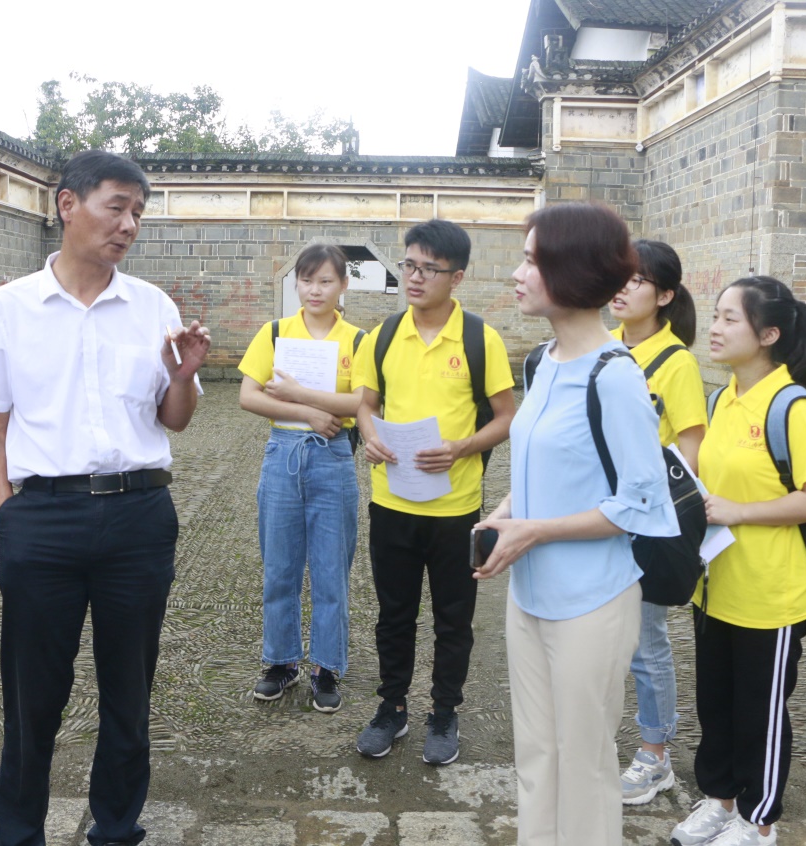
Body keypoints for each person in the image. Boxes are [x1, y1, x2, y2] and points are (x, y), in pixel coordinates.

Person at [0, 150, 211, 846]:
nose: (127, 224)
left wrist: (183, 376)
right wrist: (9, 515)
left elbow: (174, 418)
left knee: (129, 692)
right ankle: (18, 832)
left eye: (137, 212)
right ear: (68, 204)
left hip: (138, 517)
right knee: (33, 696)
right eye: (115, 206)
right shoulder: (7, 308)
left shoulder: (152, 306)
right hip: (43, 519)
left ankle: (117, 827)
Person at [474, 202, 679, 846]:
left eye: (532, 261)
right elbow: (545, 466)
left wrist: (537, 531)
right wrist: (507, 514)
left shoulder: (614, 377)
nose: (516, 273)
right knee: (536, 756)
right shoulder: (539, 363)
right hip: (529, 596)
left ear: (572, 272)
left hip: (592, 600)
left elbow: (641, 504)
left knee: (585, 764)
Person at [670, 277, 806, 846]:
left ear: (768, 334)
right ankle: (718, 801)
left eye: (729, 319)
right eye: (714, 316)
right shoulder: (722, 400)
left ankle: (758, 818)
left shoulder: (793, 407)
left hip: (771, 594)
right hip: (715, 586)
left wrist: (739, 511)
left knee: (759, 715)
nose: (714, 328)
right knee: (715, 707)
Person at [352, 219, 516, 765]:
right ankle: (391, 708)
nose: (415, 277)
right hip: (391, 502)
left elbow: (506, 418)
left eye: (429, 269)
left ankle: (444, 713)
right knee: (393, 615)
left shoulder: (478, 338)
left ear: (457, 276)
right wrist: (370, 438)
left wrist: (463, 447)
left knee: (453, 618)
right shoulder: (382, 334)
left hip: (455, 509)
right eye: (409, 265)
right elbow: (365, 404)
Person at [237, 244, 361, 713]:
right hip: (283, 454)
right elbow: (249, 396)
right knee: (280, 566)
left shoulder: (357, 340)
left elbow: (365, 403)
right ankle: (281, 661)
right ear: (296, 284)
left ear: (343, 285)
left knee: (332, 569)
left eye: (326, 281)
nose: (315, 289)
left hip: (332, 456)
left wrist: (304, 399)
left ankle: (326, 666)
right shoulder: (274, 333)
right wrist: (309, 411)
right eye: (307, 280)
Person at [608, 239, 706, 805]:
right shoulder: (602, 349)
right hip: (597, 520)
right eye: (621, 276)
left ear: (665, 296)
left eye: (638, 280)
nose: (624, 287)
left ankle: (656, 755)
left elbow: (690, 455)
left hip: (646, 525)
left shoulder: (677, 363)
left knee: (646, 643)